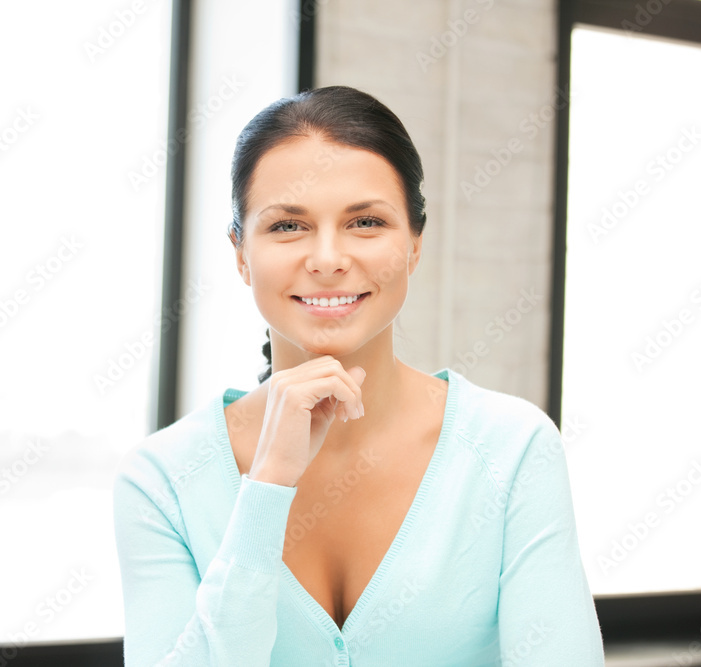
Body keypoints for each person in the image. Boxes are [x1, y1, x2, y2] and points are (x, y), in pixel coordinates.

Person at [112, 85, 605, 666]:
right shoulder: (162, 480)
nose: (327, 259)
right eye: (288, 227)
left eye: (365, 222)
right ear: (240, 253)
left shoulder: (513, 449)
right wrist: (267, 487)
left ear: (415, 243)